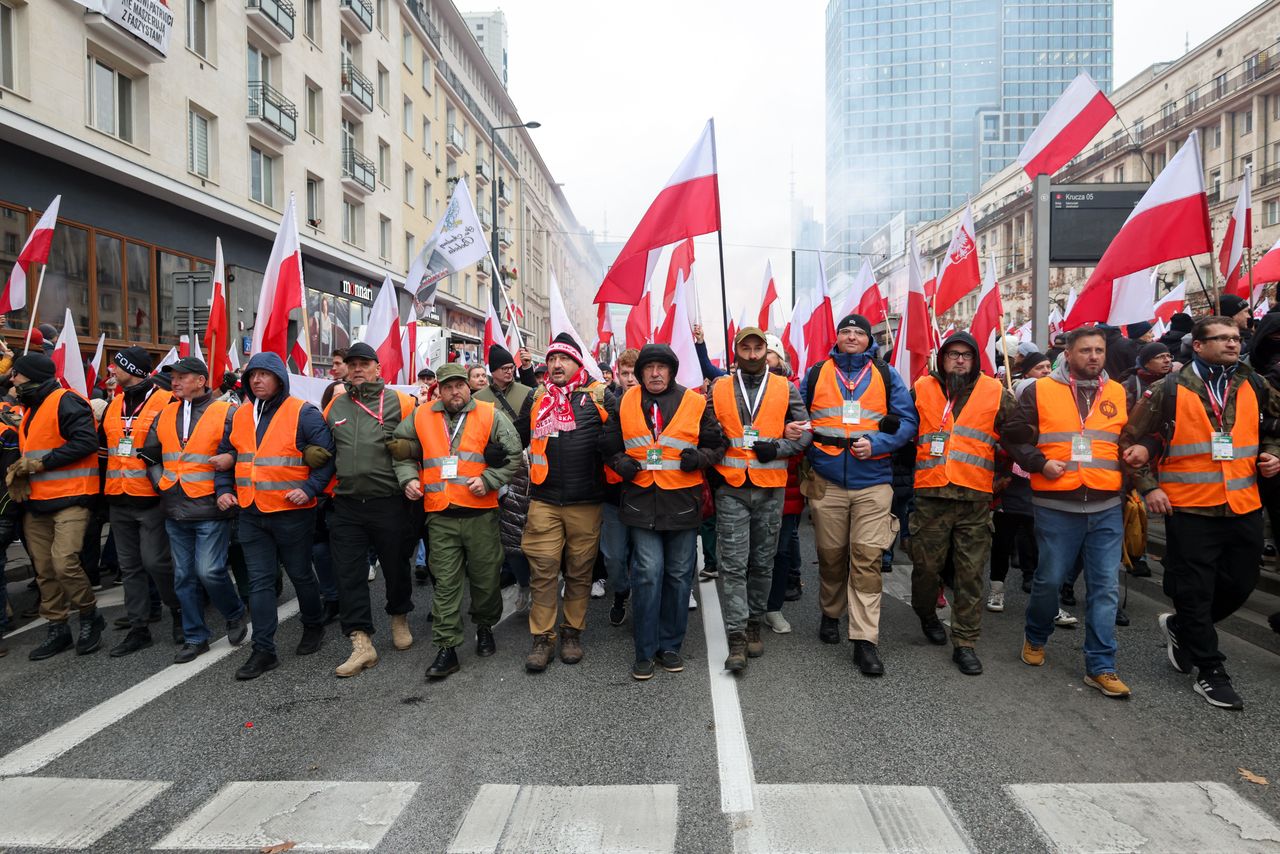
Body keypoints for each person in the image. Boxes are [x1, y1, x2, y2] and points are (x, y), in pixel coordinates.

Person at [1122, 316, 1280, 710]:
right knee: (1195, 589)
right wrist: (1150, 486)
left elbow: (1275, 427)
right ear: (1198, 344)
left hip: (1243, 505)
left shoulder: (1254, 383)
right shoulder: (1168, 389)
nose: (1232, 344)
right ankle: (1211, 670)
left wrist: (1273, 455)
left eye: (1236, 337)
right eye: (1222, 338)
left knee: (1241, 583)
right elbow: (1130, 440)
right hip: (1189, 506)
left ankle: (1181, 627)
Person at [1004, 326, 1131, 699]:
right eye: (1085, 350)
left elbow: (1128, 438)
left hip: (1106, 504)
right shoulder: (1040, 390)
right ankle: (1036, 634)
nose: (1094, 357)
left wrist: (1139, 453)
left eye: (1099, 351)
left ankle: (1101, 665)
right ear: (1069, 354)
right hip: (1057, 504)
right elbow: (1013, 436)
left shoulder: (1119, 392)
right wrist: (1040, 463)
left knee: (1105, 587)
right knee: (1049, 579)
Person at [800, 314, 918, 676]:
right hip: (827, 481)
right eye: (845, 331)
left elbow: (909, 421)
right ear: (837, 337)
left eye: (858, 333)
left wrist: (880, 443)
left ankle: (865, 641)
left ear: (869, 340)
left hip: (873, 482)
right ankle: (830, 613)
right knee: (832, 557)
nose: (852, 337)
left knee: (866, 561)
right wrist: (796, 430)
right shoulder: (818, 372)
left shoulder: (885, 374)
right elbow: (796, 414)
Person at [606, 343, 724, 680]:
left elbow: (717, 444)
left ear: (671, 371)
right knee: (648, 573)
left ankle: (670, 645)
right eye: (648, 368)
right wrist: (620, 462)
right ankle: (644, 649)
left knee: (677, 575)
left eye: (662, 367)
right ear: (640, 372)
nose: (655, 373)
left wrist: (700, 458)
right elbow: (609, 443)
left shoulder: (694, 401)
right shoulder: (624, 401)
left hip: (682, 505)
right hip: (640, 502)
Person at [394, 363, 520, 678]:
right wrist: (408, 477)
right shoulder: (422, 415)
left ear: (468, 386)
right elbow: (399, 449)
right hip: (441, 515)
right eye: (448, 387)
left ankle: (485, 624)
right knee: (446, 585)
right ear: (438, 389)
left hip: (480, 514)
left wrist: (491, 479)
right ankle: (447, 647)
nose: (455, 392)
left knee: (486, 580)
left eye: (459, 386)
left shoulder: (489, 414)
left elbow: (515, 452)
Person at [215, 352, 334, 680]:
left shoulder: (303, 413)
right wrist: (223, 489)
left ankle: (313, 626)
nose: (256, 380)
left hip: (292, 513)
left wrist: (310, 490)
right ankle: (264, 650)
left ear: (280, 378)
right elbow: (230, 457)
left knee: (300, 574)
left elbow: (327, 459)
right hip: (250, 511)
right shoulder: (240, 414)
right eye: (252, 375)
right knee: (259, 581)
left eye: (264, 375)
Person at [908, 333, 1017, 675]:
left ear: (975, 360)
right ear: (942, 359)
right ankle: (926, 614)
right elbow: (902, 432)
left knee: (970, 574)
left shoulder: (997, 392)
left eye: (966, 355)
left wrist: (1002, 479)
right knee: (927, 569)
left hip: (975, 499)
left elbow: (1017, 436)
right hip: (931, 496)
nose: (958, 360)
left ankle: (965, 642)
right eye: (952, 354)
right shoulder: (921, 388)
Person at [514, 333, 618, 671]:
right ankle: (542, 638)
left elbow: (621, 436)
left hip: (586, 501)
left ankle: (572, 632)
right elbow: (515, 434)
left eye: (565, 359)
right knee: (542, 569)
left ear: (578, 363)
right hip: (544, 499)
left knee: (579, 570)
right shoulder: (537, 396)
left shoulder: (601, 395)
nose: (557, 364)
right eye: (553, 359)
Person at [712, 327, 811, 672]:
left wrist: (780, 447)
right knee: (734, 564)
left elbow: (806, 429)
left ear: (765, 350)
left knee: (763, 563)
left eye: (758, 348)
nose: (752, 354)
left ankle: (755, 620)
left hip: (771, 487)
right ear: (737, 352)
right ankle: (737, 635)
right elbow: (705, 428)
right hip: (731, 487)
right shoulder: (719, 387)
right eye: (746, 348)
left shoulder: (786, 387)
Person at [139, 357, 247, 662]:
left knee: (209, 571)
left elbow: (243, 450)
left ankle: (234, 612)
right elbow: (149, 455)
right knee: (183, 576)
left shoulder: (227, 411)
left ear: (201, 380)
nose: (175, 382)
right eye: (173, 377)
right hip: (174, 507)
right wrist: (161, 483)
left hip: (210, 506)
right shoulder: (165, 413)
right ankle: (195, 636)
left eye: (183, 376)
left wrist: (231, 465)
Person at [323, 342, 419, 678]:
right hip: (347, 503)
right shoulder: (335, 406)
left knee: (395, 566)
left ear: (379, 368)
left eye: (364, 363)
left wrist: (409, 451)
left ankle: (399, 616)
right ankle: (361, 642)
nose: (357, 368)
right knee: (348, 574)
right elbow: (324, 446)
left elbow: (421, 441)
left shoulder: (401, 401)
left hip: (389, 502)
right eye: (352, 364)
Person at [7, 353, 103, 660]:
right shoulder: (30, 406)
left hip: (72, 497)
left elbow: (86, 442)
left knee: (64, 563)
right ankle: (58, 626)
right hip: (37, 501)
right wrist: (18, 470)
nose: (12, 380)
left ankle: (89, 616)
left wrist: (39, 464)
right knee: (45, 570)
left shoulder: (66, 401)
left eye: (17, 374)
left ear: (32, 376)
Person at [100, 347, 182, 656]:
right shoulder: (114, 404)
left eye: (117, 367)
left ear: (132, 370)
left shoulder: (166, 401)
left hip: (150, 498)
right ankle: (139, 627)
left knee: (156, 562)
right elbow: (104, 450)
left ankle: (177, 610)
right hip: (118, 498)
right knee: (130, 567)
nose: (111, 371)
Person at [600, 347, 639, 626]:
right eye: (624, 373)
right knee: (613, 556)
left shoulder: (655, 405)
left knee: (643, 556)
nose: (630, 378)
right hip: (613, 494)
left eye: (634, 373)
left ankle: (642, 602)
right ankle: (621, 590)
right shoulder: (608, 405)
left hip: (646, 494)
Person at [476, 344, 533, 425]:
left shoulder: (527, 392)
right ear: (493, 371)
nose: (509, 371)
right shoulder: (478, 398)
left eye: (511, 367)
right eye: (505, 368)